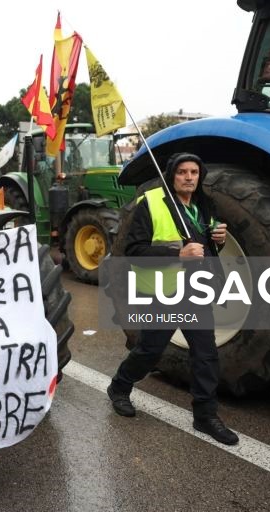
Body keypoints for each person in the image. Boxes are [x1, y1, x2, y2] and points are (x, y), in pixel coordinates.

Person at [106, 152, 239, 446]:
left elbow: (205, 247)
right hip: (162, 292)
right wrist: (177, 254)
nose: (189, 177)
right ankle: (120, 386)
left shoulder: (204, 205)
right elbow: (134, 251)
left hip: (196, 291)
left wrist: (219, 241)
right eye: (182, 172)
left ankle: (205, 415)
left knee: (205, 353)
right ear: (171, 175)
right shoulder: (151, 203)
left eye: (194, 172)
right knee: (150, 350)